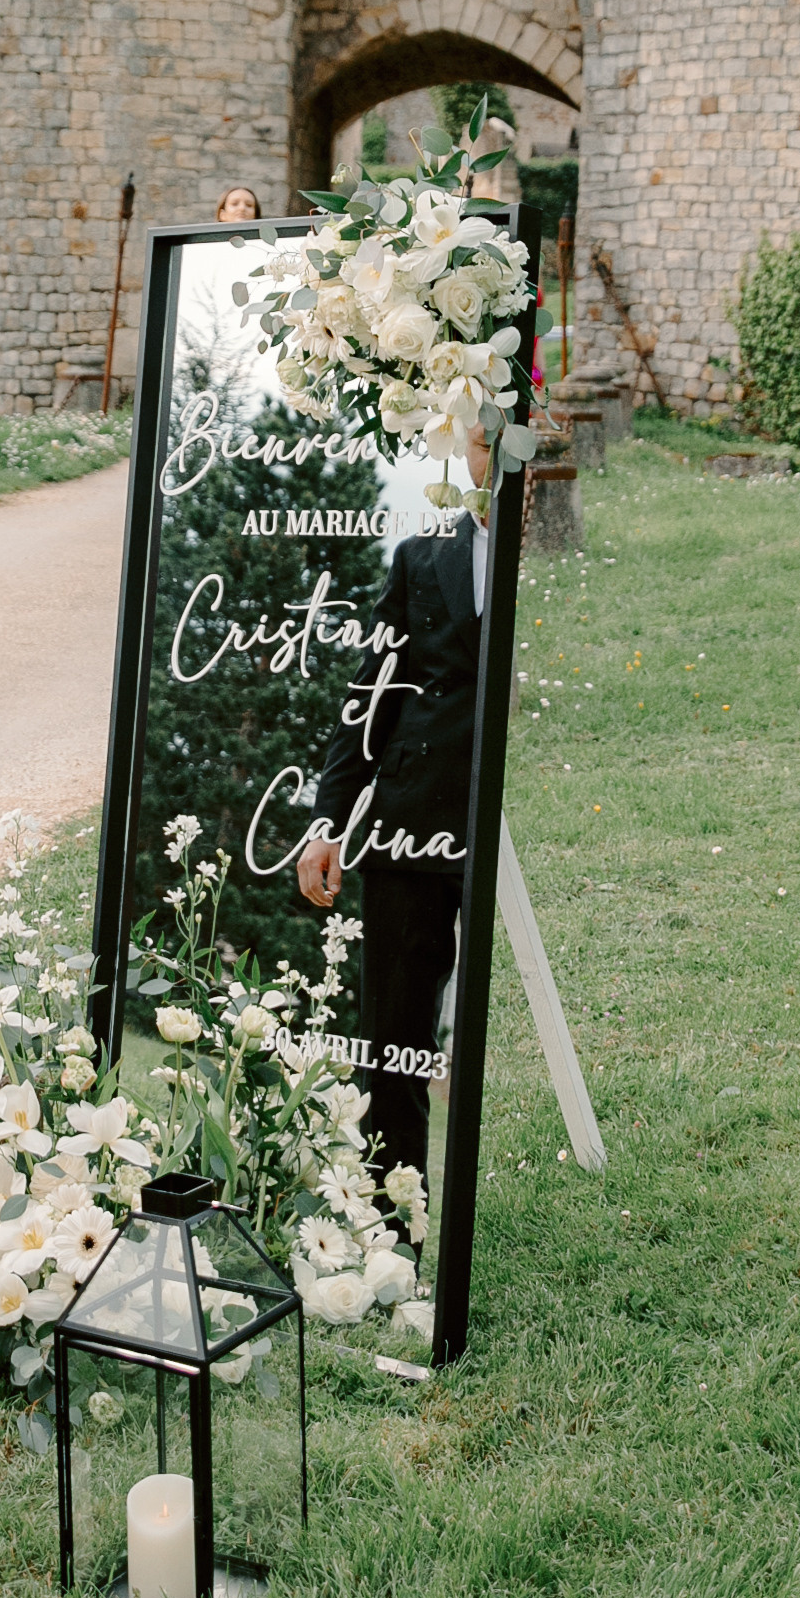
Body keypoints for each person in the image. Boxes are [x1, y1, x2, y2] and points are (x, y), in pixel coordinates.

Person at [298, 437, 495, 1207]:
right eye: (480, 440)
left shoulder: (564, 557)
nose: (498, 457)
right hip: (412, 825)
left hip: (506, 828)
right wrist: (328, 822)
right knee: (396, 1040)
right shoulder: (421, 557)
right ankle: (392, 1225)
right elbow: (370, 697)